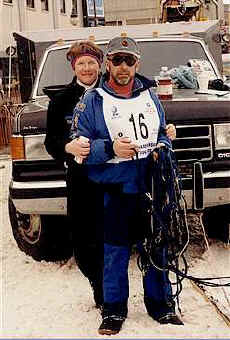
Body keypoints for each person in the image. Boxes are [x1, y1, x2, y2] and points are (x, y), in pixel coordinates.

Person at [71, 36, 183, 335]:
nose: (123, 67)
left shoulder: (150, 95)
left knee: (156, 245)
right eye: (117, 60)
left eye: (129, 60)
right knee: (115, 251)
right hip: (115, 188)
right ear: (108, 63)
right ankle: (113, 310)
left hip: (150, 184)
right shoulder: (93, 100)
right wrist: (109, 149)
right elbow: (77, 144)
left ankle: (162, 305)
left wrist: (162, 144)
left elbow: (160, 131)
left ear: (137, 64)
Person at [44, 40, 104, 309]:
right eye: (81, 63)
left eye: (91, 62)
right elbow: (51, 141)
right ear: (74, 66)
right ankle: (96, 282)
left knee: (114, 232)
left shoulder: (113, 92)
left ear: (99, 64)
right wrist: (67, 146)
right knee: (84, 235)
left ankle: (111, 291)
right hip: (81, 179)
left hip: (113, 175)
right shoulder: (61, 100)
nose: (87, 68)